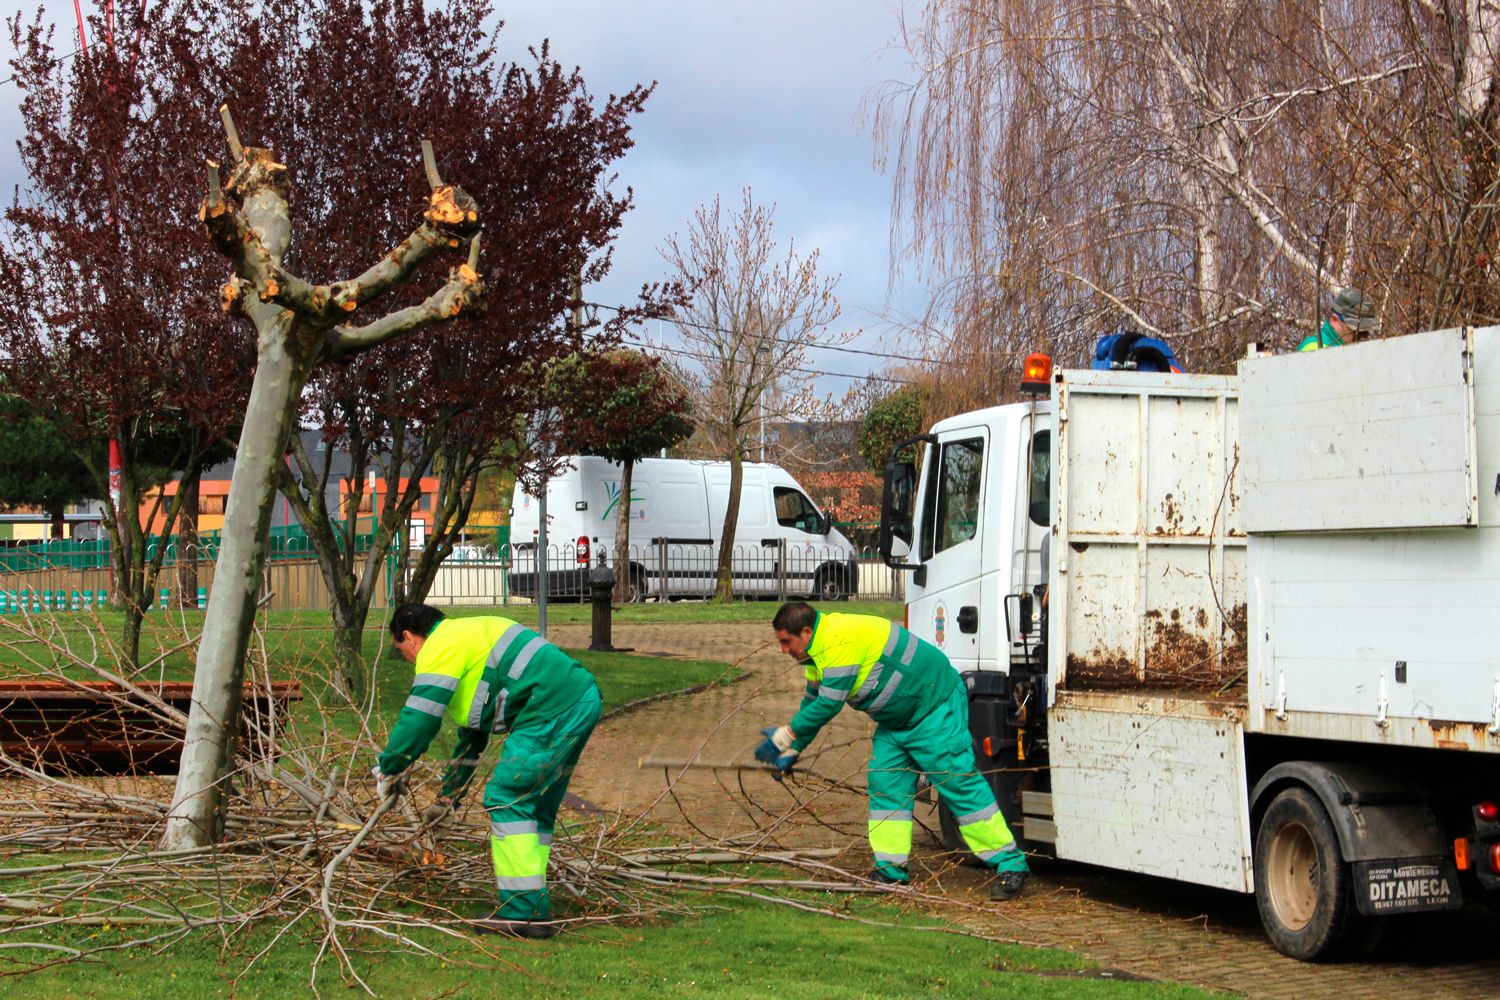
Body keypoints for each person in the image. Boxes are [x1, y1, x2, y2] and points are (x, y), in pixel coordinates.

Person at [752, 602, 1030, 900]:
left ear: (805, 632)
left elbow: (827, 705)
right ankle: (890, 871)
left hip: (934, 709)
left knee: (958, 784)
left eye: (786, 642)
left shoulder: (838, 642)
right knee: (886, 786)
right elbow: (813, 700)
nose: (783, 650)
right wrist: (795, 748)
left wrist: (785, 737)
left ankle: (1010, 864)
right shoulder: (814, 654)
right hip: (897, 723)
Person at [372, 604, 602, 939]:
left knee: (507, 797)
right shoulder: (468, 638)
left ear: (409, 637)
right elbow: (472, 740)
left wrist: (388, 769)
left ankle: (524, 913)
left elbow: (419, 720)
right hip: (577, 699)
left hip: (550, 707)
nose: (408, 661)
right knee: (534, 806)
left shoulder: (438, 647)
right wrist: (447, 800)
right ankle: (532, 905)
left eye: (401, 651)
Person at [1298, 287, 1379, 350]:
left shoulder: (1348, 350)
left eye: (1365, 332)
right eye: (1355, 330)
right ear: (1334, 320)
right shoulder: (1315, 349)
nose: (1362, 338)